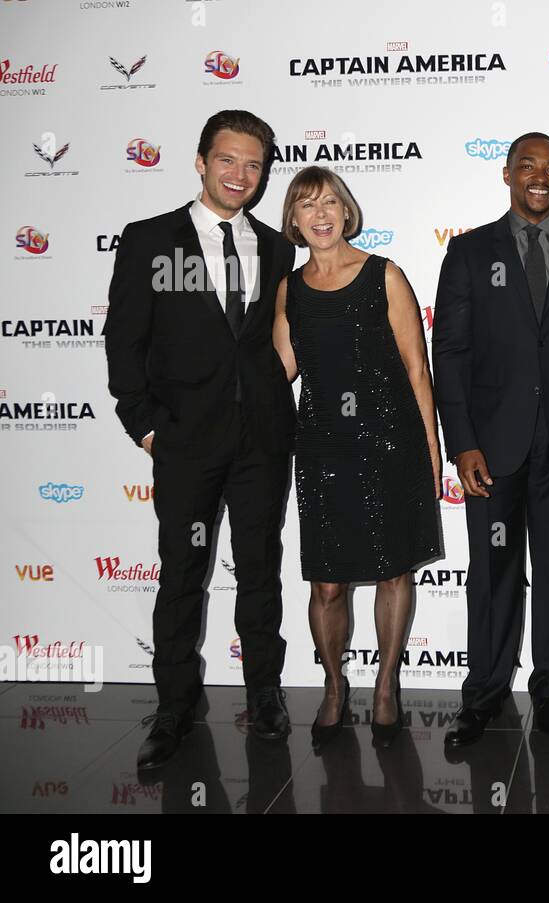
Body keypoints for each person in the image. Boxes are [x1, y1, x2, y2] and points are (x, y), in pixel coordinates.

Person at [105, 110, 298, 769]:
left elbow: (274, 343)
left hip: (262, 442)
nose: (241, 174)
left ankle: (265, 692)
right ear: (200, 161)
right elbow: (124, 340)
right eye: (228, 160)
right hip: (185, 442)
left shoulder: (277, 247)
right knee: (183, 573)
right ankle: (175, 705)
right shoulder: (149, 239)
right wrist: (147, 427)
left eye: (253, 164)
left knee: (260, 569)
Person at [433, 133, 549, 747]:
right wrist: (461, 442)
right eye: (528, 166)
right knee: (491, 573)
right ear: (507, 175)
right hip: (493, 450)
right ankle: (482, 694)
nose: (540, 176)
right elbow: (451, 354)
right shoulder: (467, 253)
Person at [271, 166, 444, 749]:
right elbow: (280, 373)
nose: (319, 215)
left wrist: (430, 448)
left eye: (328, 203)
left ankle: (388, 684)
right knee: (326, 585)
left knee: (394, 571)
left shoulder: (384, 275)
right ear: (293, 220)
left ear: (346, 212)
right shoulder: (289, 290)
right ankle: (333, 685)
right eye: (306, 205)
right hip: (322, 448)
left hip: (389, 443)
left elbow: (418, 371)